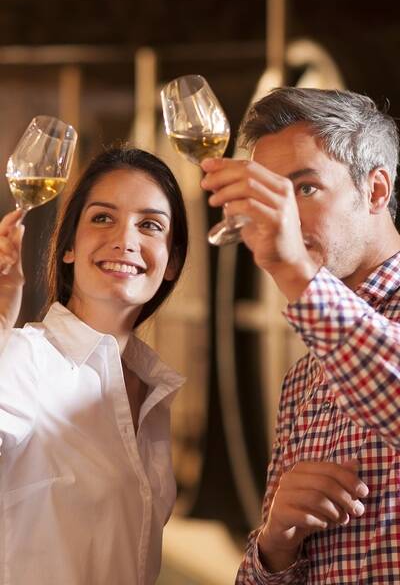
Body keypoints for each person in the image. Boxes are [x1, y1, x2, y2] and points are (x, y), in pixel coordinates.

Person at [201, 87, 400, 583]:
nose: (281, 216)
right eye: (269, 194)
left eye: (305, 188)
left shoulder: (326, 322)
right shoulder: (303, 379)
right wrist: (276, 544)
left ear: (376, 191)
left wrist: (293, 267)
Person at [0, 146, 188, 585]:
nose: (125, 240)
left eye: (150, 225)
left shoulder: (152, 392)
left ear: (172, 261)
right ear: (68, 247)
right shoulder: (27, 359)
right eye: (103, 218)